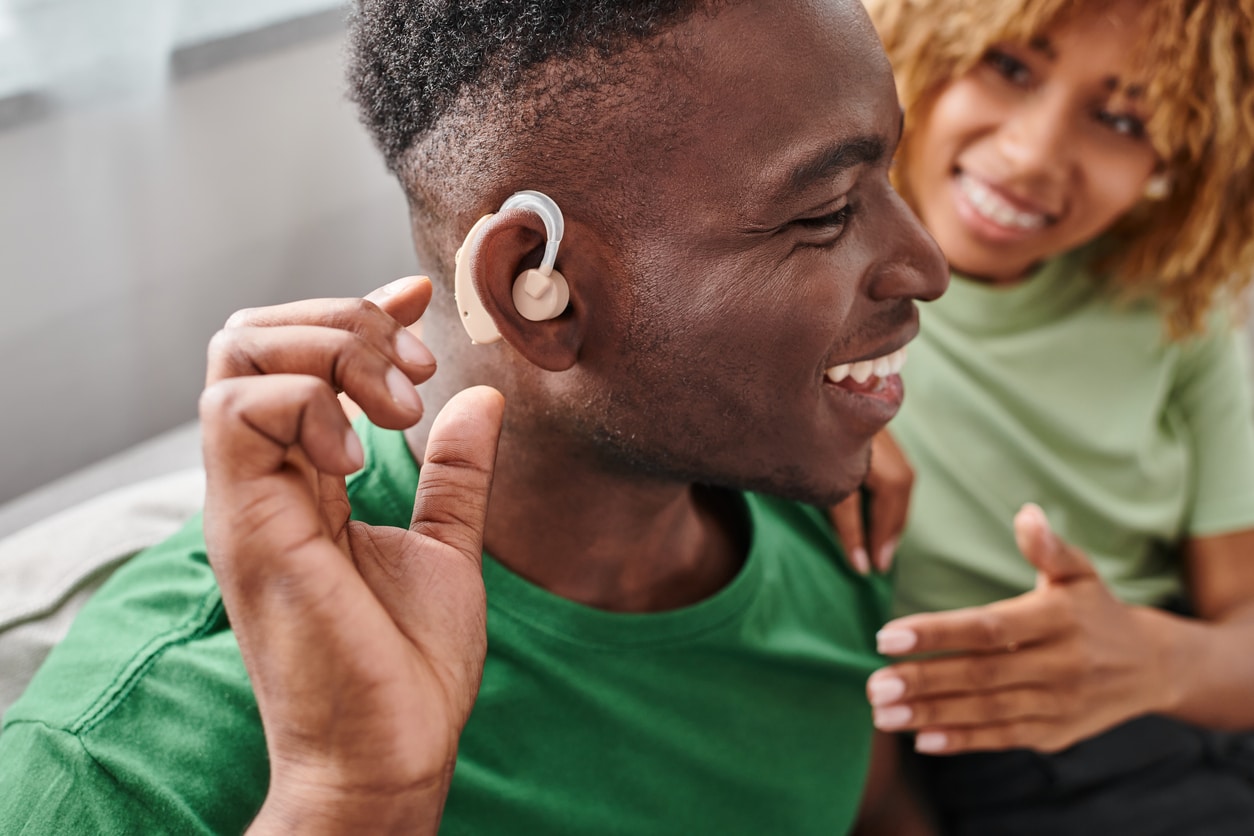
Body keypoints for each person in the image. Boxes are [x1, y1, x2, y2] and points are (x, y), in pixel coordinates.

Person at [0, 1, 950, 833]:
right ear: (540, 288)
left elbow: (871, 812)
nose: (927, 266)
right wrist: (349, 798)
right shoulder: (122, 769)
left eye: (888, 178)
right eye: (825, 212)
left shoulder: (818, 511)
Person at [829, 0, 1254, 832]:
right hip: (975, 756)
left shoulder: (1172, 313)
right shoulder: (796, 262)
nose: (1032, 155)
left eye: (1122, 119)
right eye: (1011, 68)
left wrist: (1154, 660)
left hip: (1177, 718)